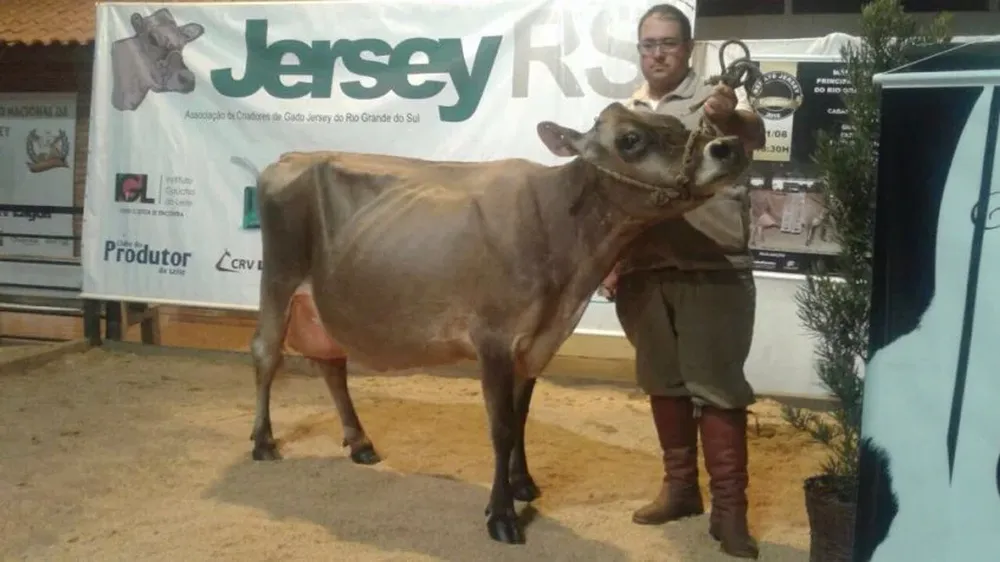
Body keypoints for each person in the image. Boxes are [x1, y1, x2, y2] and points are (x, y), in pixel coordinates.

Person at [599, 4, 765, 559]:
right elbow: (610, 197)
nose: (657, 53)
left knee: (717, 389)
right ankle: (680, 489)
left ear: (688, 48)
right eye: (648, 44)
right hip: (645, 272)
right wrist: (608, 259)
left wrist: (728, 115)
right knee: (663, 385)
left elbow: (751, 133)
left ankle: (731, 511)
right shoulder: (624, 114)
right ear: (639, 49)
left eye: (668, 43)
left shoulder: (718, 100)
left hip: (713, 266)